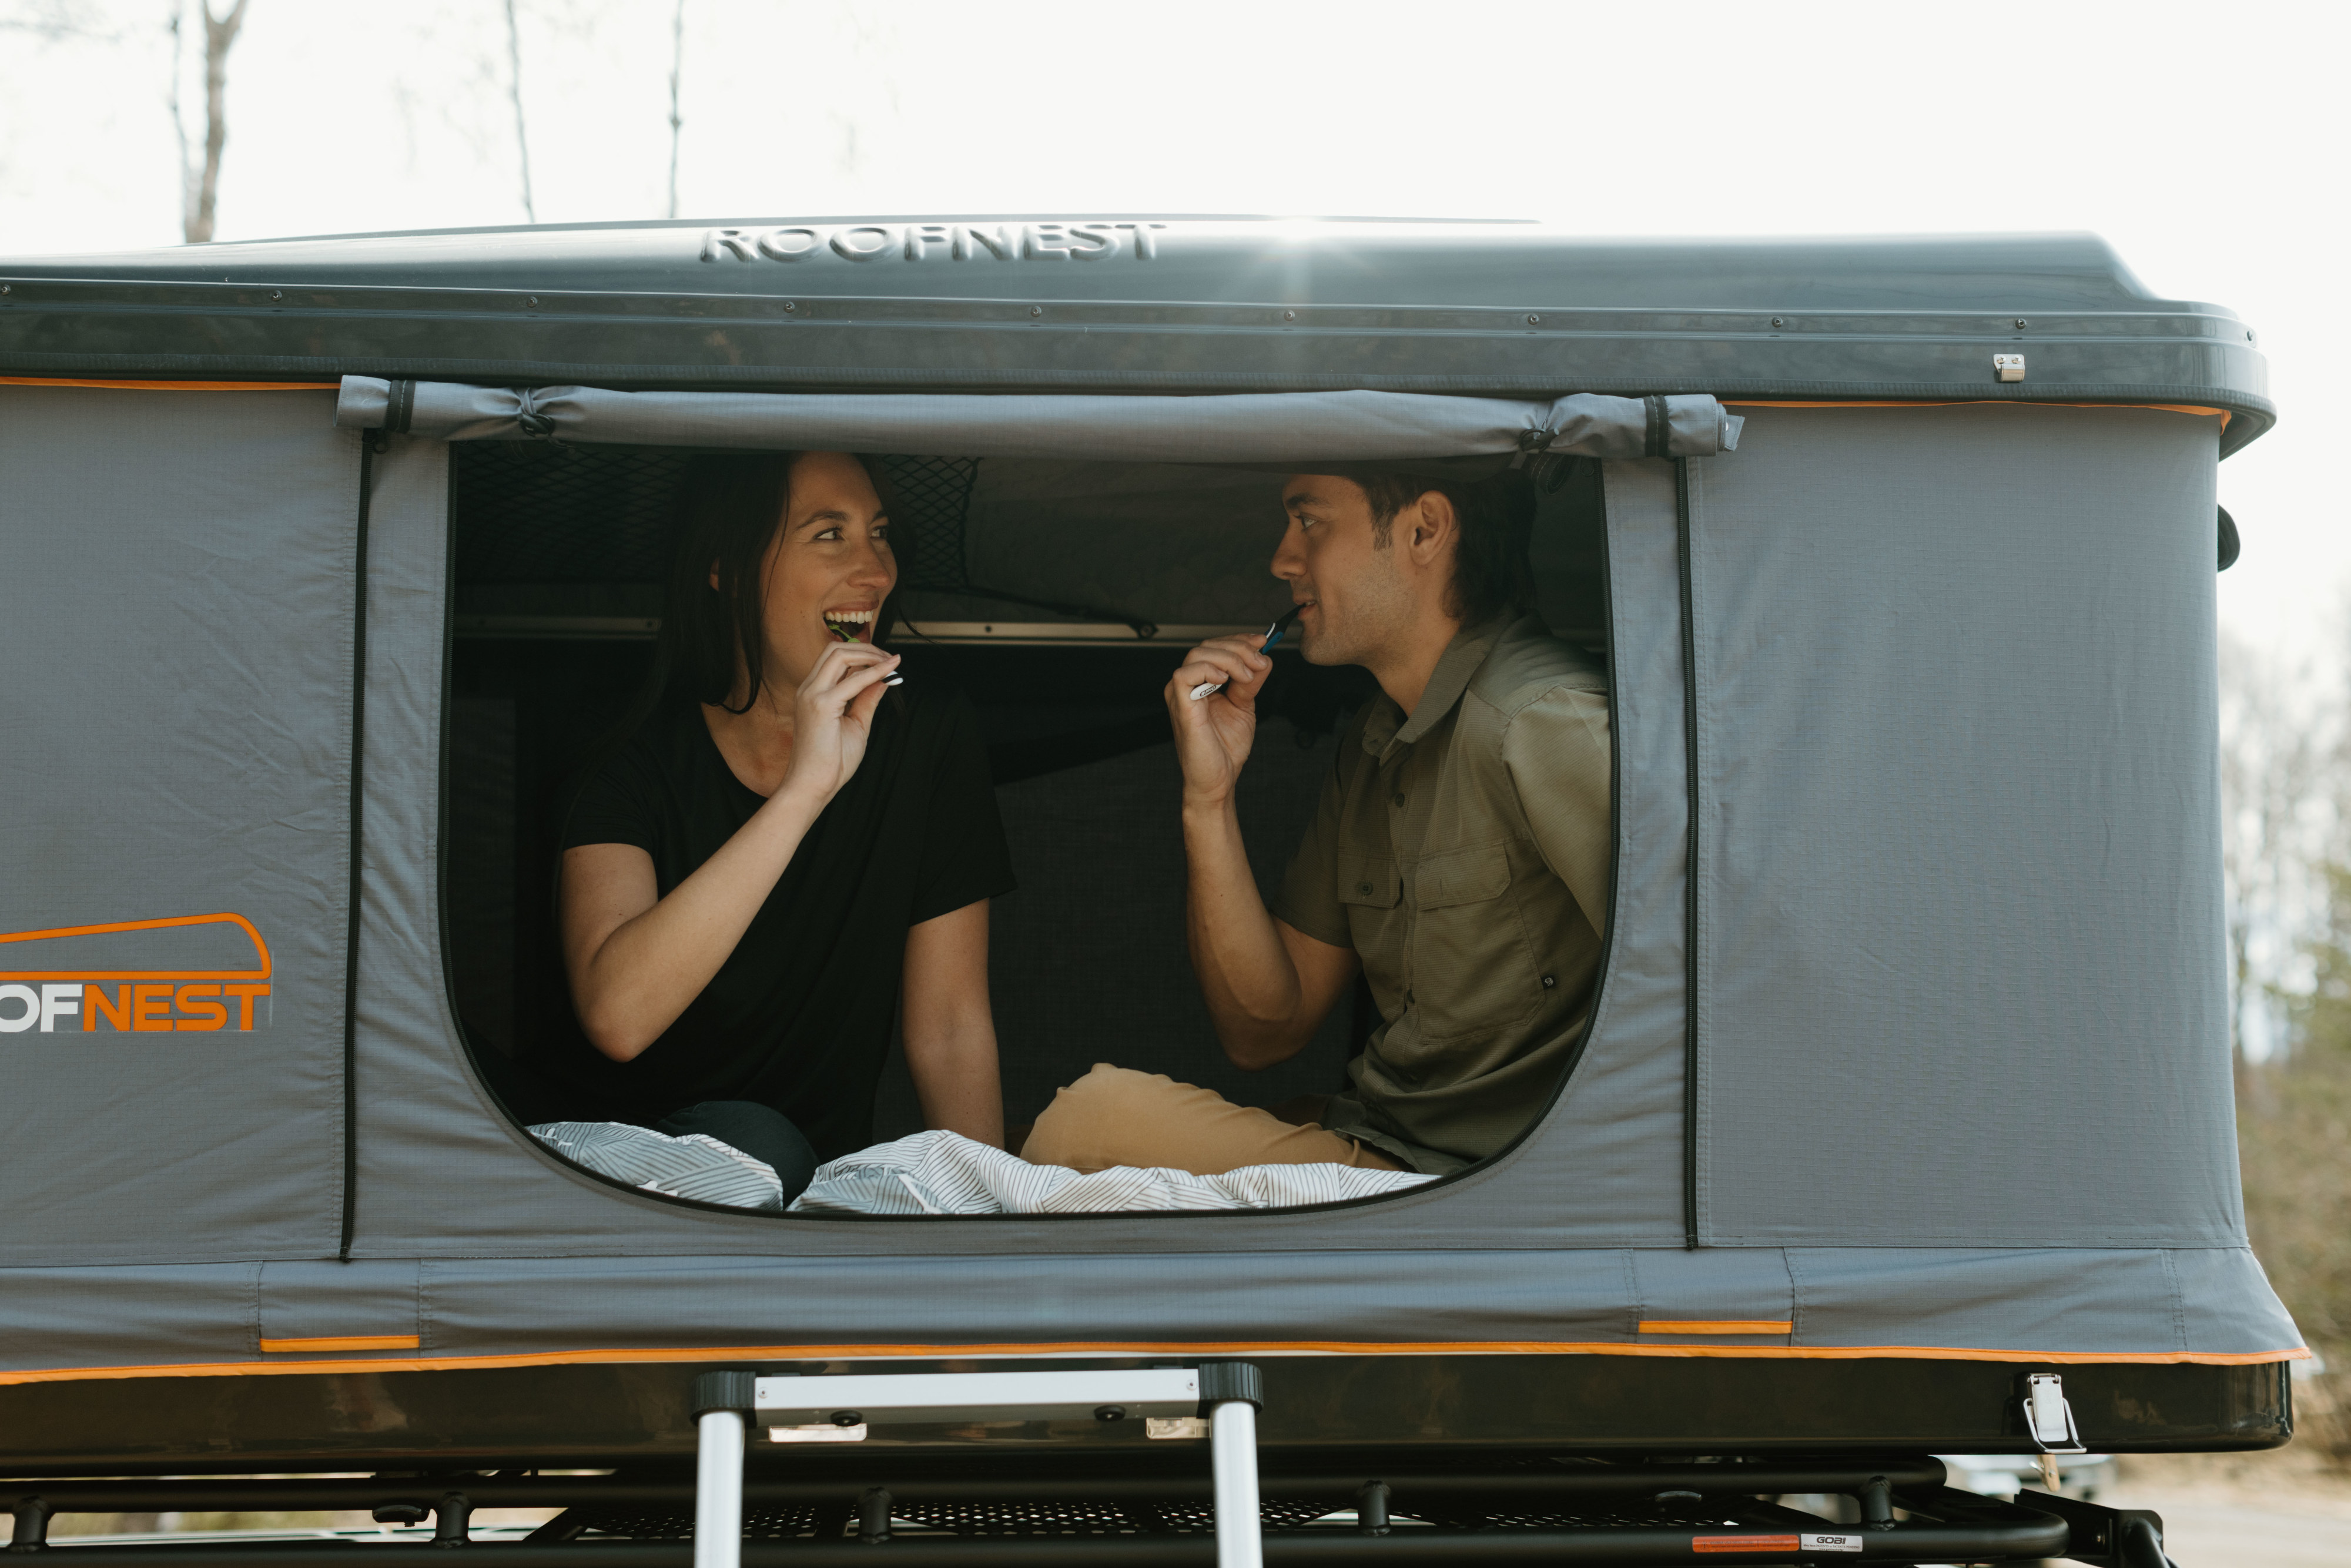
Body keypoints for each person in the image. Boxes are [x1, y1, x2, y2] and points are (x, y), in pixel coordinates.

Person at [1022, 463, 1610, 1177]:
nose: (1281, 560)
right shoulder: (1371, 747)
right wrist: (1208, 798)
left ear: (1424, 529)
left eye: (1309, 522)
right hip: (1382, 1135)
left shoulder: (1541, 721)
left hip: (1477, 1185)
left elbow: (1723, 982)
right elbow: (1264, 1027)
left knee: (1092, 1121)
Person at [542, 450, 1014, 1203]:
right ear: (726, 567)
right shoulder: (629, 744)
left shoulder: (926, 735)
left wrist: (991, 1228)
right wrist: (805, 791)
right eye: (830, 535)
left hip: (809, 1192)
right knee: (755, 1141)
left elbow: (951, 1027)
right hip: (611, 1186)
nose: (874, 571)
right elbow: (618, 1014)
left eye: (880, 534)